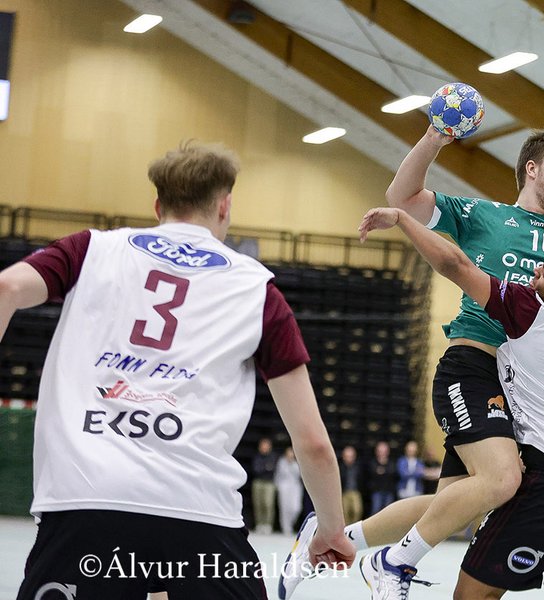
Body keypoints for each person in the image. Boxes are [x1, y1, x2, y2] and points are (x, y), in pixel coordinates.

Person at [5, 141, 354, 600]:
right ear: (224, 205)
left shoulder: (91, 249)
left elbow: (8, 287)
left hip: (86, 498)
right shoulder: (257, 290)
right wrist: (331, 527)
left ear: (158, 205)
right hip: (198, 509)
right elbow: (312, 442)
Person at [278, 126, 544, 599]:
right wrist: (435, 137)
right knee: (501, 479)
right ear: (532, 169)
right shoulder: (485, 215)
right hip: (474, 366)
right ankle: (392, 563)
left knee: (452, 504)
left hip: (526, 388)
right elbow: (402, 197)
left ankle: (328, 539)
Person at [359, 205, 544, 599]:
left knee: (471, 589)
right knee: (454, 501)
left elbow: (455, 264)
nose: (536, 270)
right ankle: (349, 541)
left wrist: (403, 219)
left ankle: (396, 559)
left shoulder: (532, 312)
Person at [275, 446, 304, 536]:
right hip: (284, 487)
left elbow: (300, 475)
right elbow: (278, 475)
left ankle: (290, 524)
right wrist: (278, 487)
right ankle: (286, 527)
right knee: (284, 508)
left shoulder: (297, 463)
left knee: (296, 508)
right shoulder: (281, 462)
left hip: (295, 487)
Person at [253, 437, 278, 533]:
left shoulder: (273, 457)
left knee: (268, 504)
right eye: (262, 445)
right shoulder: (257, 456)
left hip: (269, 482)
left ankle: (268, 524)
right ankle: (259, 524)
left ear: (269, 447)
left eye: (266, 445)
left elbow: (272, 468)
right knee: (258, 504)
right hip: (258, 482)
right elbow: (256, 469)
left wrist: (265, 468)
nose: (264, 447)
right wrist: (266, 467)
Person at [368, 440, 398, 516]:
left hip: (389, 491)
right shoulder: (372, 462)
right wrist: (386, 471)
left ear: (388, 452)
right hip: (376, 491)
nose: (382, 453)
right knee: (375, 511)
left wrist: (382, 471)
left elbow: (393, 472)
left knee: (388, 513)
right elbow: (372, 473)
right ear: (376, 452)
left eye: (384, 451)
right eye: (380, 451)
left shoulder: (392, 462)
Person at [339, 444, 364, 525]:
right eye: (347, 456)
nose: (349, 458)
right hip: (344, 492)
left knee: (357, 510)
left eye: (351, 456)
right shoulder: (340, 468)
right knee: (345, 512)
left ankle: (354, 526)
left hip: (355, 492)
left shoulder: (358, 467)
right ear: (343, 457)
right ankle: (346, 528)